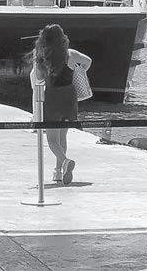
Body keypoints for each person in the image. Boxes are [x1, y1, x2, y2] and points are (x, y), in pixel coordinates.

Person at [29, 24, 92, 185]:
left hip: (52, 97)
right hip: (69, 97)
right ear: (62, 38)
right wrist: (79, 71)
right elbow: (88, 61)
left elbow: (39, 78)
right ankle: (58, 172)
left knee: (52, 140)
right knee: (63, 136)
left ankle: (65, 162)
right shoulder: (70, 54)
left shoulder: (42, 58)